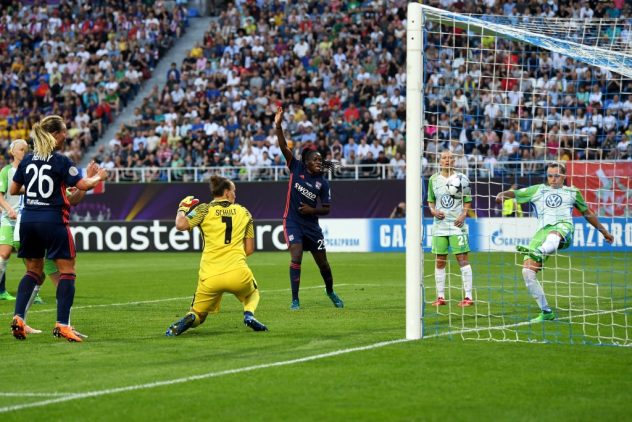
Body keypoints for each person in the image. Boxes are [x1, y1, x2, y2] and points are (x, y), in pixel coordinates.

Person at [9, 115, 107, 342]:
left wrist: (38, 194)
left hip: (29, 221)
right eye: (64, 131)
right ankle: (63, 324)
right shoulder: (61, 161)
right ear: (54, 135)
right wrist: (98, 177)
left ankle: (19, 318)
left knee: (32, 271)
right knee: (68, 271)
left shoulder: (28, 159)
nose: (66, 135)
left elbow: (14, 190)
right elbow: (82, 185)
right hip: (53, 221)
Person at [496, 162, 615, 322]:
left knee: (554, 233)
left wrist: (604, 232)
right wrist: (502, 195)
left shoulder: (572, 192)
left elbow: (587, 213)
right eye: (550, 175)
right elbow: (515, 193)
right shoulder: (538, 190)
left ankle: (540, 251)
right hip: (541, 233)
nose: (553, 179)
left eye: (556, 175)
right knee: (527, 272)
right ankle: (546, 312)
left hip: (563, 229)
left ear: (564, 176)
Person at [165, 175, 268, 336]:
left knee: (199, 314)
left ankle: (191, 317)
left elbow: (180, 225)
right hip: (238, 272)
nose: (235, 194)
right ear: (226, 192)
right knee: (252, 293)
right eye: (234, 191)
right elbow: (249, 249)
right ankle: (249, 314)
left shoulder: (204, 209)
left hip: (210, 275)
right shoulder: (244, 212)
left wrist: (182, 208)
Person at [274, 106, 344, 310]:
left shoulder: (323, 182)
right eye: (315, 159)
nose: (319, 162)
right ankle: (295, 299)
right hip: (293, 221)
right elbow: (282, 145)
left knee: (323, 265)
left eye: (321, 160)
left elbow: (327, 209)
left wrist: (312, 211)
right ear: (306, 162)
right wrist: (278, 126)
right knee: (296, 256)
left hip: (312, 226)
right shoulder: (295, 167)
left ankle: (330, 291)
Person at [427, 150, 474, 307]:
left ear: (454, 161)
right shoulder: (433, 179)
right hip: (439, 226)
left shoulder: (461, 178)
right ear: (439, 161)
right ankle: (440, 297)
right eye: (444, 158)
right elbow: (430, 201)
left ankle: (468, 297)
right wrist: (433, 211)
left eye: (450, 158)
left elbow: (467, 199)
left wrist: (463, 214)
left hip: (456, 225)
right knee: (440, 261)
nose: (447, 160)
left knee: (462, 259)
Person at [0, 139, 33, 302]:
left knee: (29, 256)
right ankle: (1, 291)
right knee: (4, 253)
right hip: (8, 218)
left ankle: (34, 292)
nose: (24, 152)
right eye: (21, 149)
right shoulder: (6, 171)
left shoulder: (31, 170)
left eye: (26, 150)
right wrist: (9, 209)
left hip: (26, 219)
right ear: (12, 152)